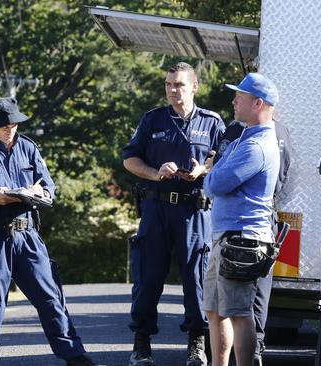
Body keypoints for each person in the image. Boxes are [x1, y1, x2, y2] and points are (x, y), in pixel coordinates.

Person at [0, 97, 102, 366]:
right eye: (3, 125)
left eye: (13, 124)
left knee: (51, 296)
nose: (10, 129)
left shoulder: (29, 148)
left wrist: (39, 192)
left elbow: (49, 188)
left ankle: (74, 356)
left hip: (28, 236)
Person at [122, 62, 226, 366]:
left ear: (194, 86)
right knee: (148, 276)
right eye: (168, 85)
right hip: (156, 207)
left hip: (193, 210)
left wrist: (203, 169)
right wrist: (155, 173)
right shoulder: (153, 120)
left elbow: (222, 159)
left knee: (196, 278)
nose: (172, 90)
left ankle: (197, 343)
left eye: (178, 84)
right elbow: (130, 159)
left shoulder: (211, 122)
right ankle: (141, 343)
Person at [203, 73, 280, 366]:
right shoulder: (246, 137)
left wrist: (211, 173)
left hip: (241, 239)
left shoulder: (255, 146)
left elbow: (215, 184)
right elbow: (216, 176)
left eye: (241, 96)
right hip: (228, 238)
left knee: (238, 311)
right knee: (215, 309)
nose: (234, 100)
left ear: (257, 103)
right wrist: (214, 172)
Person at [213, 117, 292, 366]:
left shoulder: (240, 131)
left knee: (235, 297)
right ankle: (255, 346)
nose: (235, 103)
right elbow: (285, 172)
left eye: (240, 98)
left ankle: (249, 351)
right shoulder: (280, 131)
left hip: (241, 224)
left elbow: (220, 175)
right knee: (257, 288)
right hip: (265, 215)